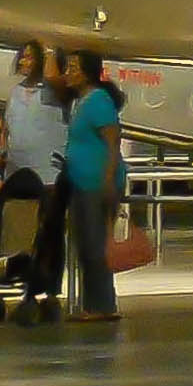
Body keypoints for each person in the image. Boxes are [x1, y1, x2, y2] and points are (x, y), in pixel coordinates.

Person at [0, 41, 68, 280]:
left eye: (30, 57)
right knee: (15, 223)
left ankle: (47, 281)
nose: (24, 62)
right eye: (22, 57)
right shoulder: (15, 92)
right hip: (18, 173)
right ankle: (17, 266)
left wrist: (48, 48)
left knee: (48, 229)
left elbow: (51, 76)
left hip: (49, 173)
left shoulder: (54, 91)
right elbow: (9, 125)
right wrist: (2, 150)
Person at [60, 50, 124, 323]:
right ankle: (92, 304)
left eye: (72, 67)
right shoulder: (79, 102)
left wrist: (108, 180)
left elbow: (112, 142)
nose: (67, 72)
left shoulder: (99, 100)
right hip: (80, 182)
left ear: (86, 71)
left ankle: (103, 305)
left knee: (96, 245)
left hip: (97, 183)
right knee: (85, 244)